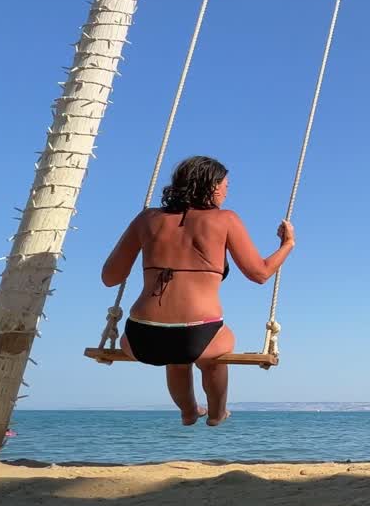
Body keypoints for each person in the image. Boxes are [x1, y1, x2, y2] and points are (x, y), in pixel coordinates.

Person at [103, 156, 295, 427]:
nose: (227, 191)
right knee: (212, 358)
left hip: (140, 338)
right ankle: (216, 414)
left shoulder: (147, 219)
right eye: (225, 185)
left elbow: (110, 278)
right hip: (197, 334)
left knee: (177, 358)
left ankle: (189, 411)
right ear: (211, 186)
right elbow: (260, 273)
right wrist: (288, 244)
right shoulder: (225, 220)